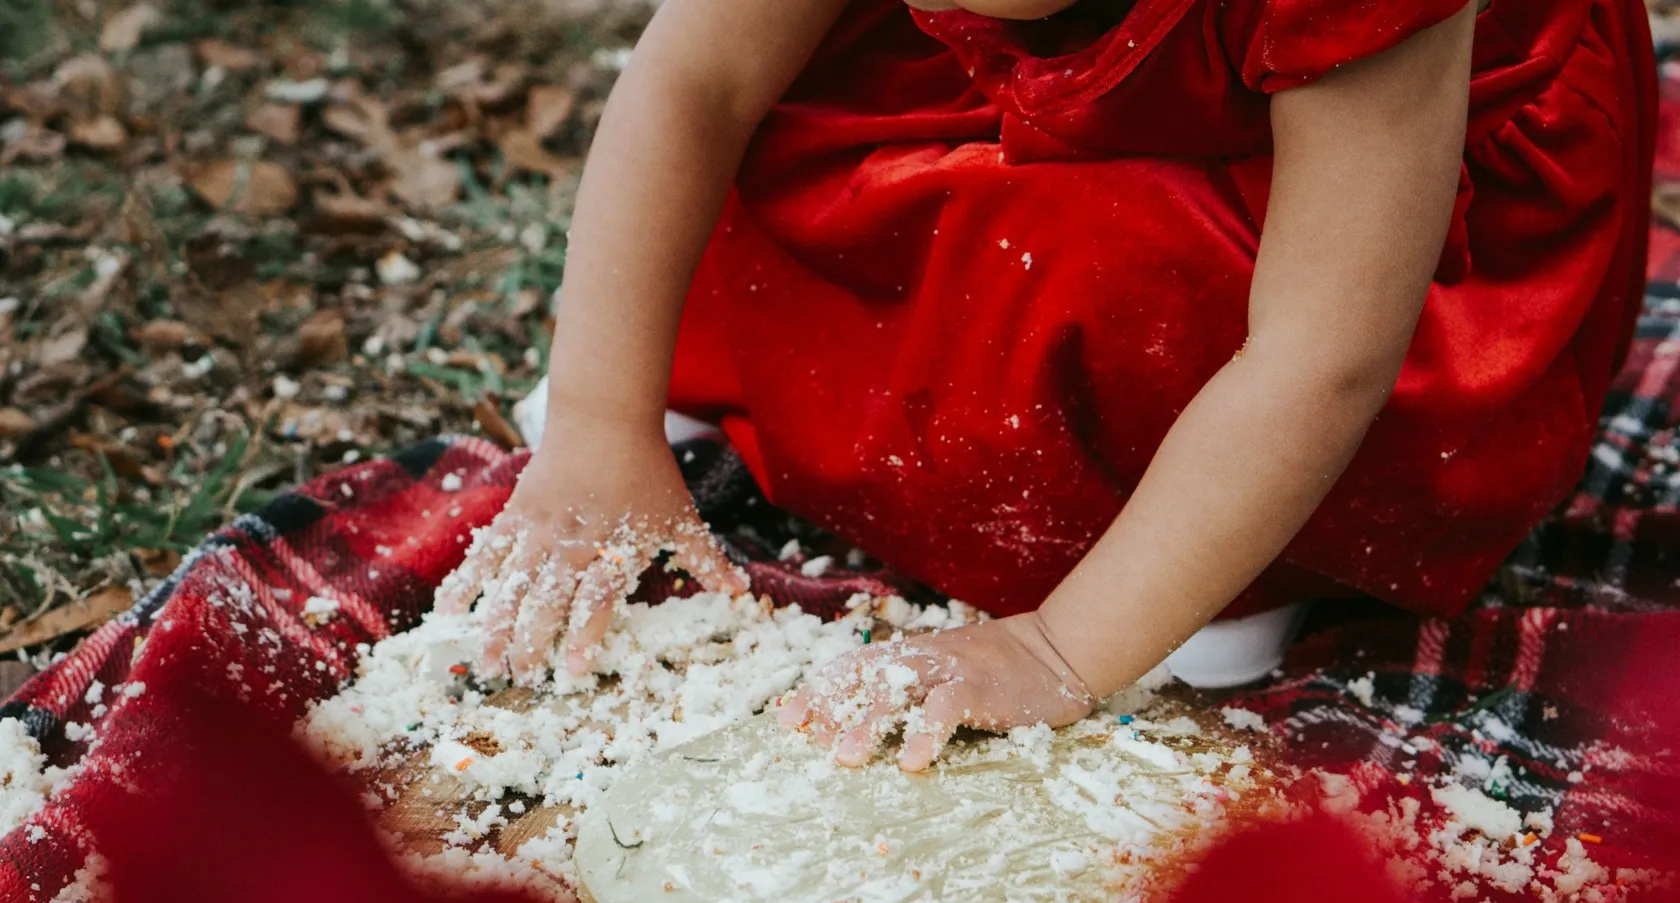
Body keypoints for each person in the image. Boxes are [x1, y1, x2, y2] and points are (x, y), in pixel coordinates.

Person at [439, 0, 1655, 771]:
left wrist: (1064, 649)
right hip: (1006, 89)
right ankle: (787, 361)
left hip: (1341, 216)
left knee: (1121, 276)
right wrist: (601, 422)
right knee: (782, 135)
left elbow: (1322, 354)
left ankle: (1209, 561)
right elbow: (693, 86)